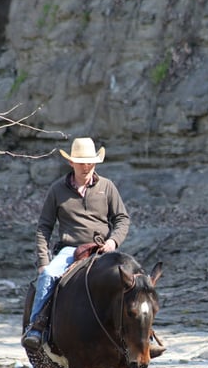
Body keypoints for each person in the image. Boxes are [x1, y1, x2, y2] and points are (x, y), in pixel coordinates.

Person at [22, 137, 129, 349]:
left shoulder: (107, 187)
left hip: (102, 249)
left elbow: (122, 219)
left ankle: (140, 335)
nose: (86, 166)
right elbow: (44, 226)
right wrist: (43, 260)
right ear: (71, 163)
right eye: (81, 162)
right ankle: (36, 327)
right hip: (70, 250)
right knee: (48, 275)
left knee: (132, 281)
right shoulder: (57, 190)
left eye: (90, 162)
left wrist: (113, 242)